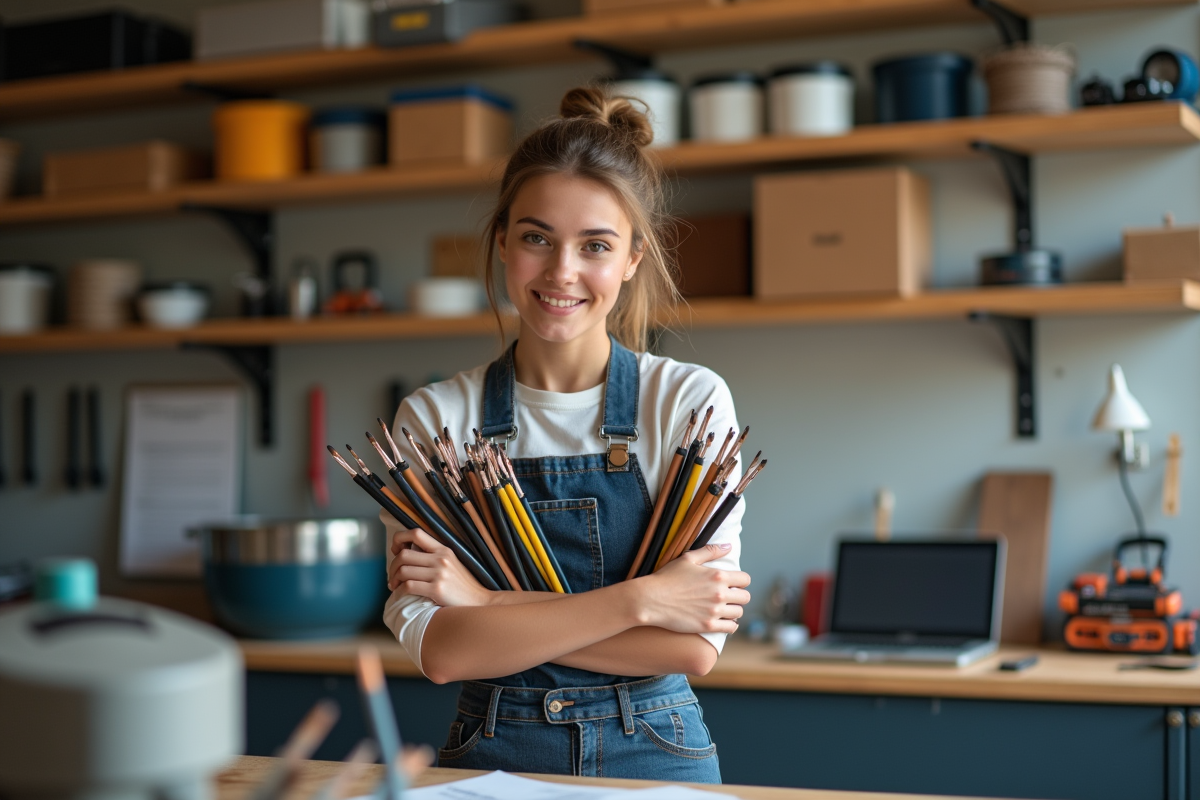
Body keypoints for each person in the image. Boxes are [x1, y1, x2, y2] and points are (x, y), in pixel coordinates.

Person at [382, 85, 752, 783]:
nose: (561, 272)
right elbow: (445, 654)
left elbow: (693, 648)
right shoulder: (433, 422)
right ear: (501, 241)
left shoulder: (688, 401)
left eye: (596, 246)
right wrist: (639, 602)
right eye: (536, 238)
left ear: (633, 258)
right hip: (492, 752)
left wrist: (489, 607)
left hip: (658, 750)